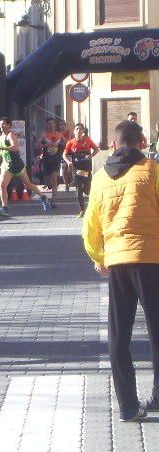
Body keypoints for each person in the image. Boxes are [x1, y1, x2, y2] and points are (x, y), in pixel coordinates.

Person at [83, 120, 159, 422]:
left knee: (119, 333)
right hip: (152, 259)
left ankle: (128, 405)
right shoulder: (153, 171)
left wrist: (98, 255)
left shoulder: (100, 178)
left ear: (114, 145)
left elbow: (90, 224)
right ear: (141, 142)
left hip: (117, 261)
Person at [0, 117, 51, 217]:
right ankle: (4, 208)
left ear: (9, 125)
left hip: (17, 164)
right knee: (3, 186)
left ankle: (43, 197)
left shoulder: (11, 135)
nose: (1, 126)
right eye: (0, 124)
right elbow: (2, 151)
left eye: (3, 124)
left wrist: (1, 147)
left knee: (28, 184)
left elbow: (15, 148)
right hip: (6, 165)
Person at [63, 123, 99, 217]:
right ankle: (82, 210)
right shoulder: (70, 143)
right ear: (74, 131)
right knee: (79, 190)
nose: (79, 131)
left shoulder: (87, 140)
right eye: (77, 129)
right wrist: (68, 162)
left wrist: (90, 156)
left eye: (81, 129)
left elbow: (96, 149)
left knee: (87, 191)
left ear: (83, 131)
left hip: (86, 168)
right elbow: (64, 154)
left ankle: (93, 207)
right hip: (77, 168)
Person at [38, 118, 63, 208]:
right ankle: (49, 185)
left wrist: (62, 145)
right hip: (46, 159)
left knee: (54, 180)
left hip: (56, 159)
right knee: (48, 181)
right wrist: (46, 145)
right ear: (47, 125)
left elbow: (68, 143)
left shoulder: (59, 134)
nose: (51, 125)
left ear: (55, 125)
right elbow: (37, 144)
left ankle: (53, 200)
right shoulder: (44, 134)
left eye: (53, 123)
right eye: (49, 123)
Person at [59, 120, 74, 191]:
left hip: (69, 153)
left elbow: (68, 143)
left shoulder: (68, 132)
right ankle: (66, 185)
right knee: (64, 169)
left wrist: (61, 138)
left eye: (63, 124)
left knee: (70, 169)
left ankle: (70, 181)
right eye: (61, 125)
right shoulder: (57, 133)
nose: (62, 126)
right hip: (61, 154)